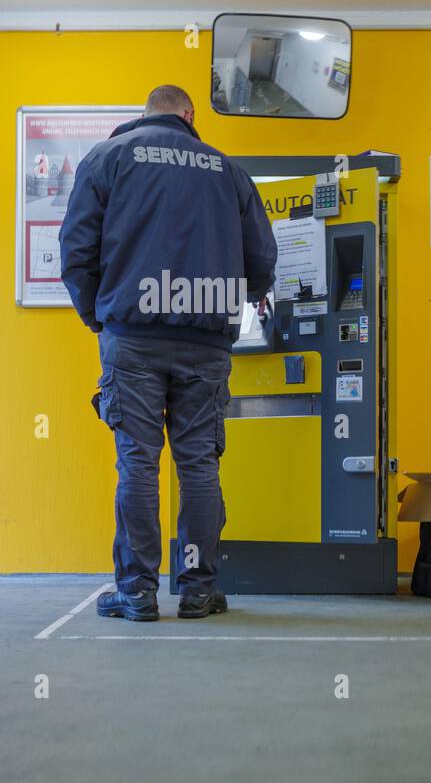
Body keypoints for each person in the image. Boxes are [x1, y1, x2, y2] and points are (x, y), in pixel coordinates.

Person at [60, 84, 277, 621]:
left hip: (131, 338)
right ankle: (199, 589)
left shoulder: (106, 158)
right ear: (189, 115)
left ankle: (137, 592)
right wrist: (234, 300)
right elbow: (263, 260)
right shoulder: (227, 170)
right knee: (198, 465)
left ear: (145, 114)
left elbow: (76, 249)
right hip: (205, 342)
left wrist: (101, 316)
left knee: (138, 462)